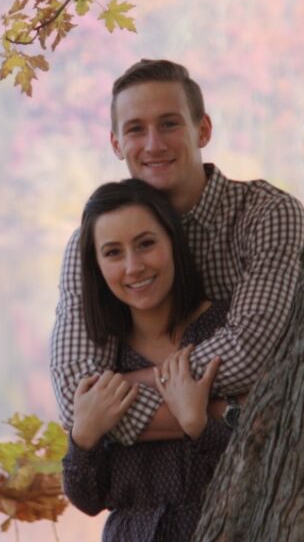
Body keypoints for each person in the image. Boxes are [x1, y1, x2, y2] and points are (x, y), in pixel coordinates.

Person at [51, 59, 304, 444]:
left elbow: (252, 352)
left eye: (169, 124)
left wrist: (117, 393)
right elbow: (76, 397)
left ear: (202, 130)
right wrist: (223, 413)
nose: (154, 144)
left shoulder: (267, 214)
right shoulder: (94, 243)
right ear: (116, 144)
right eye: (136, 129)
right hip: (146, 489)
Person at [62, 179, 231, 540]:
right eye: (113, 253)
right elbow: (89, 500)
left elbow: (272, 458)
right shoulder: (105, 363)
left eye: (146, 244)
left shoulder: (224, 332)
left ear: (173, 241)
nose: (133, 266)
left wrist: (200, 425)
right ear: (97, 265)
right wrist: (84, 438)